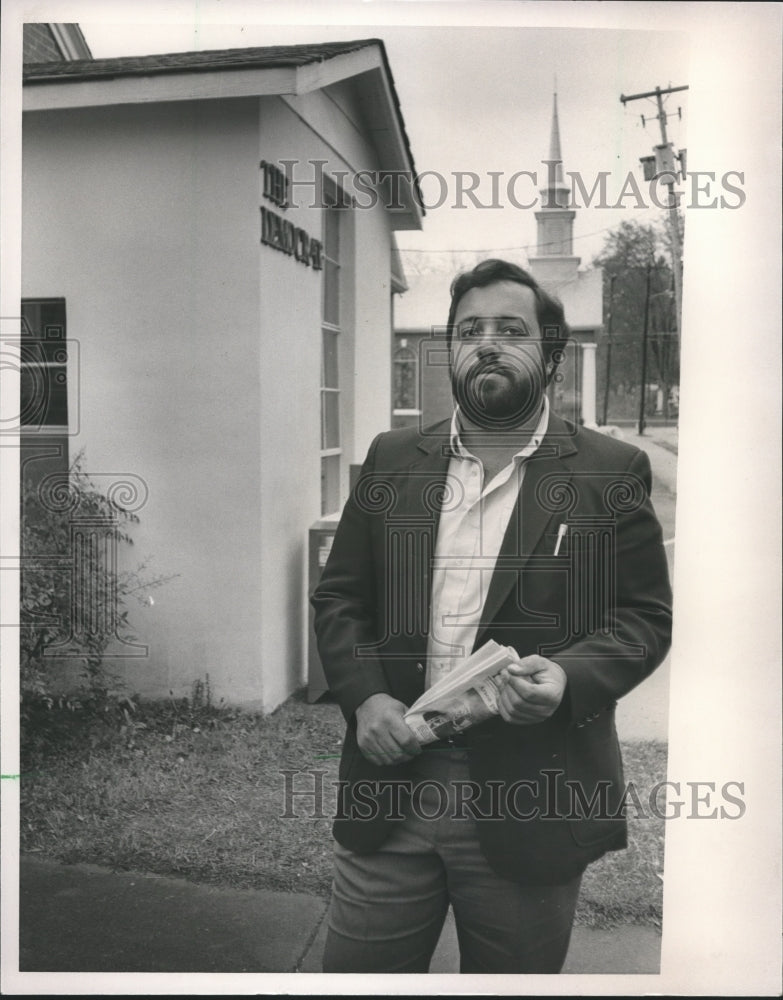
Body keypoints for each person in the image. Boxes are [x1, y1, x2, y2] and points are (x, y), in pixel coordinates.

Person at [311, 258, 672, 974]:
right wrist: (366, 696)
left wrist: (567, 681)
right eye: (468, 330)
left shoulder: (607, 471)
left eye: (510, 330)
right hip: (392, 786)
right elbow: (339, 596)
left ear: (550, 352)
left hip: (530, 794)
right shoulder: (391, 459)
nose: (486, 343)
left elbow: (642, 617)